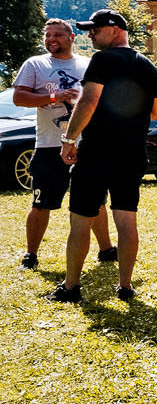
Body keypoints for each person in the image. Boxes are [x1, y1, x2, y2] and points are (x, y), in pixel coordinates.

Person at [52, 9, 157, 303]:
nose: (91, 34)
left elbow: (88, 101)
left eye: (95, 29)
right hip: (133, 152)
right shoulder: (147, 65)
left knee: (81, 219)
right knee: (127, 219)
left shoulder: (102, 60)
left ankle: (71, 287)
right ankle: (125, 286)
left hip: (97, 152)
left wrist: (69, 139)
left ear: (115, 29)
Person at [11, 18, 112, 268]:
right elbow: (19, 98)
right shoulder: (35, 64)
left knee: (96, 201)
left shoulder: (88, 64)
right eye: (48, 35)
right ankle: (31, 254)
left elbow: (102, 99)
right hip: (49, 145)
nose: (51, 39)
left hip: (85, 144)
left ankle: (107, 249)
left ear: (71, 38)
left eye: (57, 35)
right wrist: (55, 96)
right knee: (40, 202)